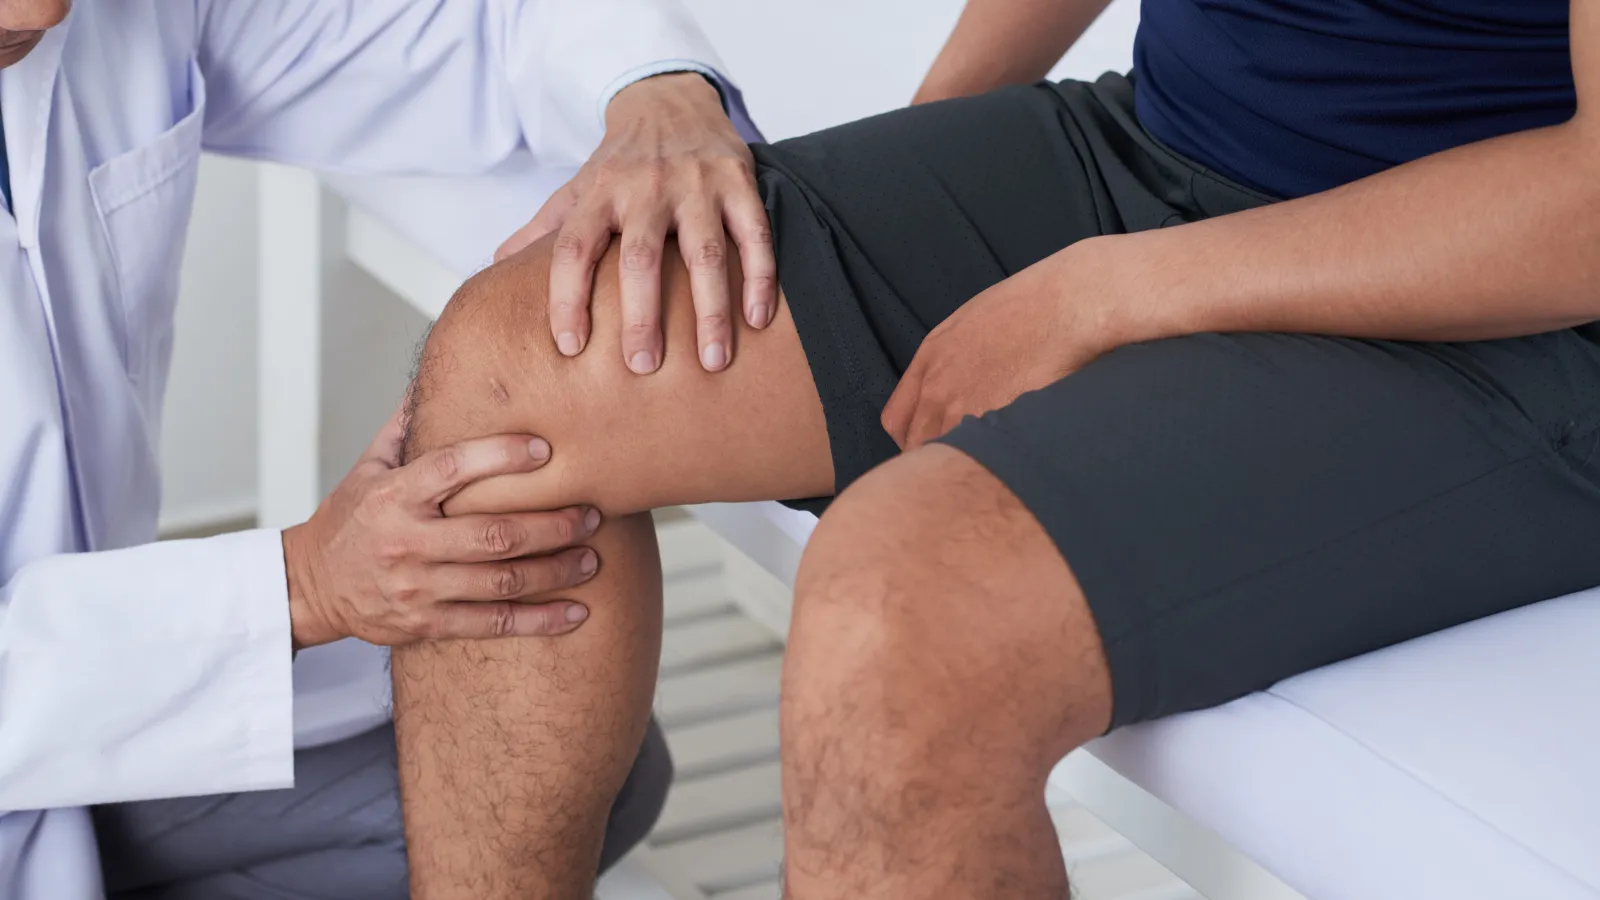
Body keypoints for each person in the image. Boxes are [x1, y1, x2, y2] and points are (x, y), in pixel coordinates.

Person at [388, 0, 1600, 897]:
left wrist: (1107, 294)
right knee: (515, 367)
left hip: (1510, 306)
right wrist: (895, 204)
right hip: (1153, 146)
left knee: (898, 613)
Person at [0, 1, 774, 898]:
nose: (47, 13)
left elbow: (477, 30)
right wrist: (301, 586)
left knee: (557, 768)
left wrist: (656, 92)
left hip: (82, 701)